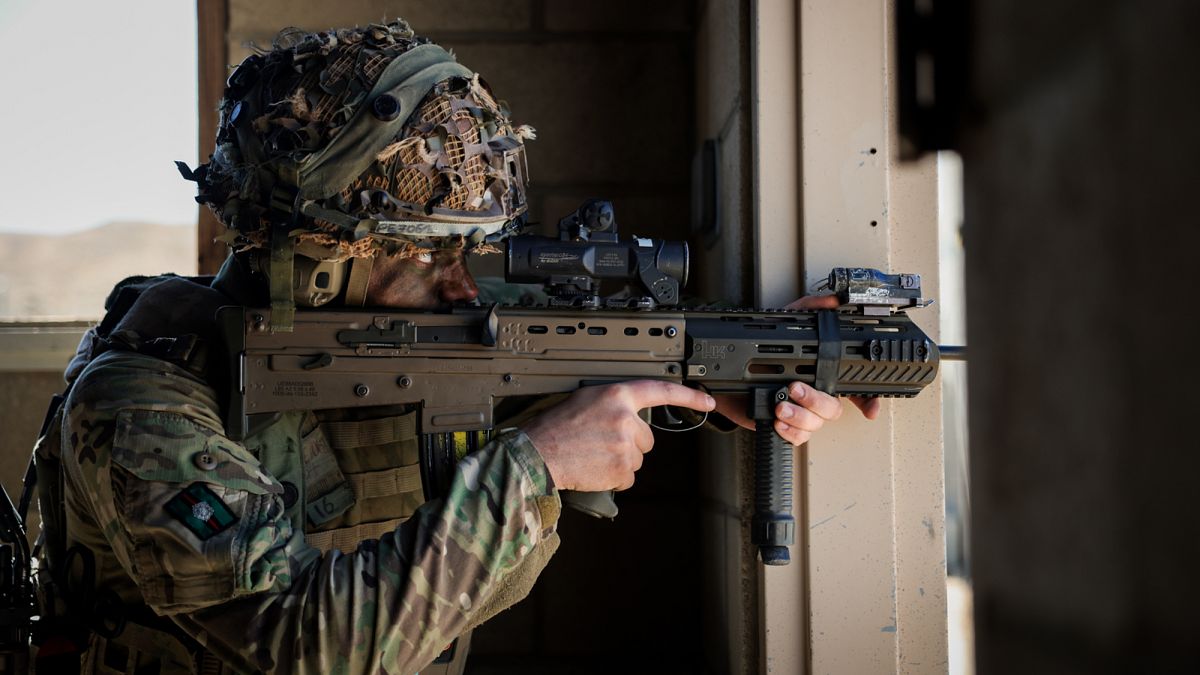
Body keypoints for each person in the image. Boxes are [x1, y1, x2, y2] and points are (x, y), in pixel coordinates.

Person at [35, 19, 877, 675]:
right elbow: (299, 646)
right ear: (325, 259)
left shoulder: (423, 322)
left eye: (465, 252)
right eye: (428, 254)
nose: (464, 287)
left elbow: (613, 349)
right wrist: (536, 465)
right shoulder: (141, 402)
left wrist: (752, 361)